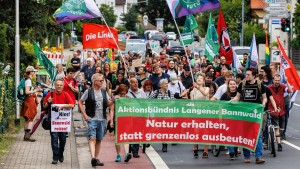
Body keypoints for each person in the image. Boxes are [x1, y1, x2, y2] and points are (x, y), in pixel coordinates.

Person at [230, 68, 267, 164]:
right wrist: (231, 102)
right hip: (245, 113)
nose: (247, 76)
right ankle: (247, 156)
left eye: (249, 74)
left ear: (254, 76)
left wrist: (263, 104)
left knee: (257, 135)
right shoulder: (242, 84)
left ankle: (258, 156)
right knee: (245, 134)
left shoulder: (259, 85)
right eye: (246, 74)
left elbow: (265, 98)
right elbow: (237, 97)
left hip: (256, 113)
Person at [78, 73, 113, 167]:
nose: (102, 82)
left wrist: (113, 101)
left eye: (103, 80)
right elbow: (80, 102)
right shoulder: (88, 91)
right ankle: (93, 158)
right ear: (95, 81)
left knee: (99, 139)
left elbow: (108, 103)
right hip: (92, 118)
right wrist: (84, 115)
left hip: (102, 119)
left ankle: (96, 158)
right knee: (92, 138)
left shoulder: (103, 91)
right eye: (101, 80)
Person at [42, 79, 75, 164]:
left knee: (63, 140)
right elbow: (44, 106)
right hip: (53, 122)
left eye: (60, 85)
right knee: (54, 139)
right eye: (57, 85)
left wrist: (62, 107)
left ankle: (61, 154)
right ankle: (55, 157)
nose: (59, 86)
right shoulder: (50, 94)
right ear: (55, 86)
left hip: (63, 122)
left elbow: (72, 105)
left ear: (63, 86)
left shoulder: (65, 94)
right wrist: (48, 102)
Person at [267, 74, 292, 151]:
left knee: (281, 128)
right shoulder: (268, 88)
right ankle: (279, 144)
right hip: (272, 110)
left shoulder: (282, 86)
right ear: (273, 80)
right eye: (276, 80)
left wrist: (287, 81)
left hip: (282, 110)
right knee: (276, 127)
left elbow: (290, 91)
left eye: (278, 80)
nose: (277, 82)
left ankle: (277, 139)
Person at [149, 79, 175, 152]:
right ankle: (149, 139)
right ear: (161, 85)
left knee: (165, 130)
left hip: (167, 115)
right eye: (165, 84)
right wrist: (156, 105)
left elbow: (173, 103)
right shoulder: (156, 92)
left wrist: (165, 105)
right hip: (157, 114)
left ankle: (164, 144)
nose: (167, 85)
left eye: (167, 83)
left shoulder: (170, 93)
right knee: (157, 129)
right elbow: (148, 101)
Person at [110, 84, 132, 162]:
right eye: (122, 91)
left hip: (126, 120)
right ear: (119, 91)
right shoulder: (115, 98)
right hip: (117, 120)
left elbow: (130, 109)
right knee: (118, 139)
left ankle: (127, 154)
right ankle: (118, 154)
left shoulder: (128, 98)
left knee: (126, 137)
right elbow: (112, 110)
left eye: (125, 92)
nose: (123, 93)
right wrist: (111, 121)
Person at [190, 73, 209, 158]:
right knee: (196, 131)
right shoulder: (192, 91)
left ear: (203, 80)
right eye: (198, 78)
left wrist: (198, 87)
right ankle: (195, 148)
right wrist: (194, 111)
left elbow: (205, 94)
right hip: (197, 113)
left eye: (201, 78)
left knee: (205, 132)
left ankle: (205, 151)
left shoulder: (207, 88)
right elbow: (192, 102)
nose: (199, 80)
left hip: (205, 112)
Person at [127, 78, 147, 157]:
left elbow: (145, 103)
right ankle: (130, 147)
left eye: (136, 82)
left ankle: (135, 150)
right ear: (130, 84)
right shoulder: (127, 93)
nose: (135, 84)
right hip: (129, 116)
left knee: (137, 132)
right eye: (133, 82)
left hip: (139, 116)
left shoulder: (141, 92)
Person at [220, 79, 239, 160]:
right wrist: (220, 117)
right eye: (231, 84)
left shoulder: (239, 95)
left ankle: (235, 148)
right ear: (228, 85)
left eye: (234, 84)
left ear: (236, 85)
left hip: (238, 118)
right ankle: (231, 152)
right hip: (228, 118)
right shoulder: (225, 95)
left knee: (236, 135)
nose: (232, 85)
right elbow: (220, 106)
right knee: (229, 135)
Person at [21, 66, 41, 142]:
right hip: (30, 100)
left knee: (27, 118)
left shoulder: (25, 79)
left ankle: (25, 136)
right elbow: (27, 92)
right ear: (31, 72)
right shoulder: (28, 80)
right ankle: (28, 135)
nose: (34, 73)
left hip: (26, 100)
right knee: (31, 118)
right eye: (34, 71)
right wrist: (35, 90)